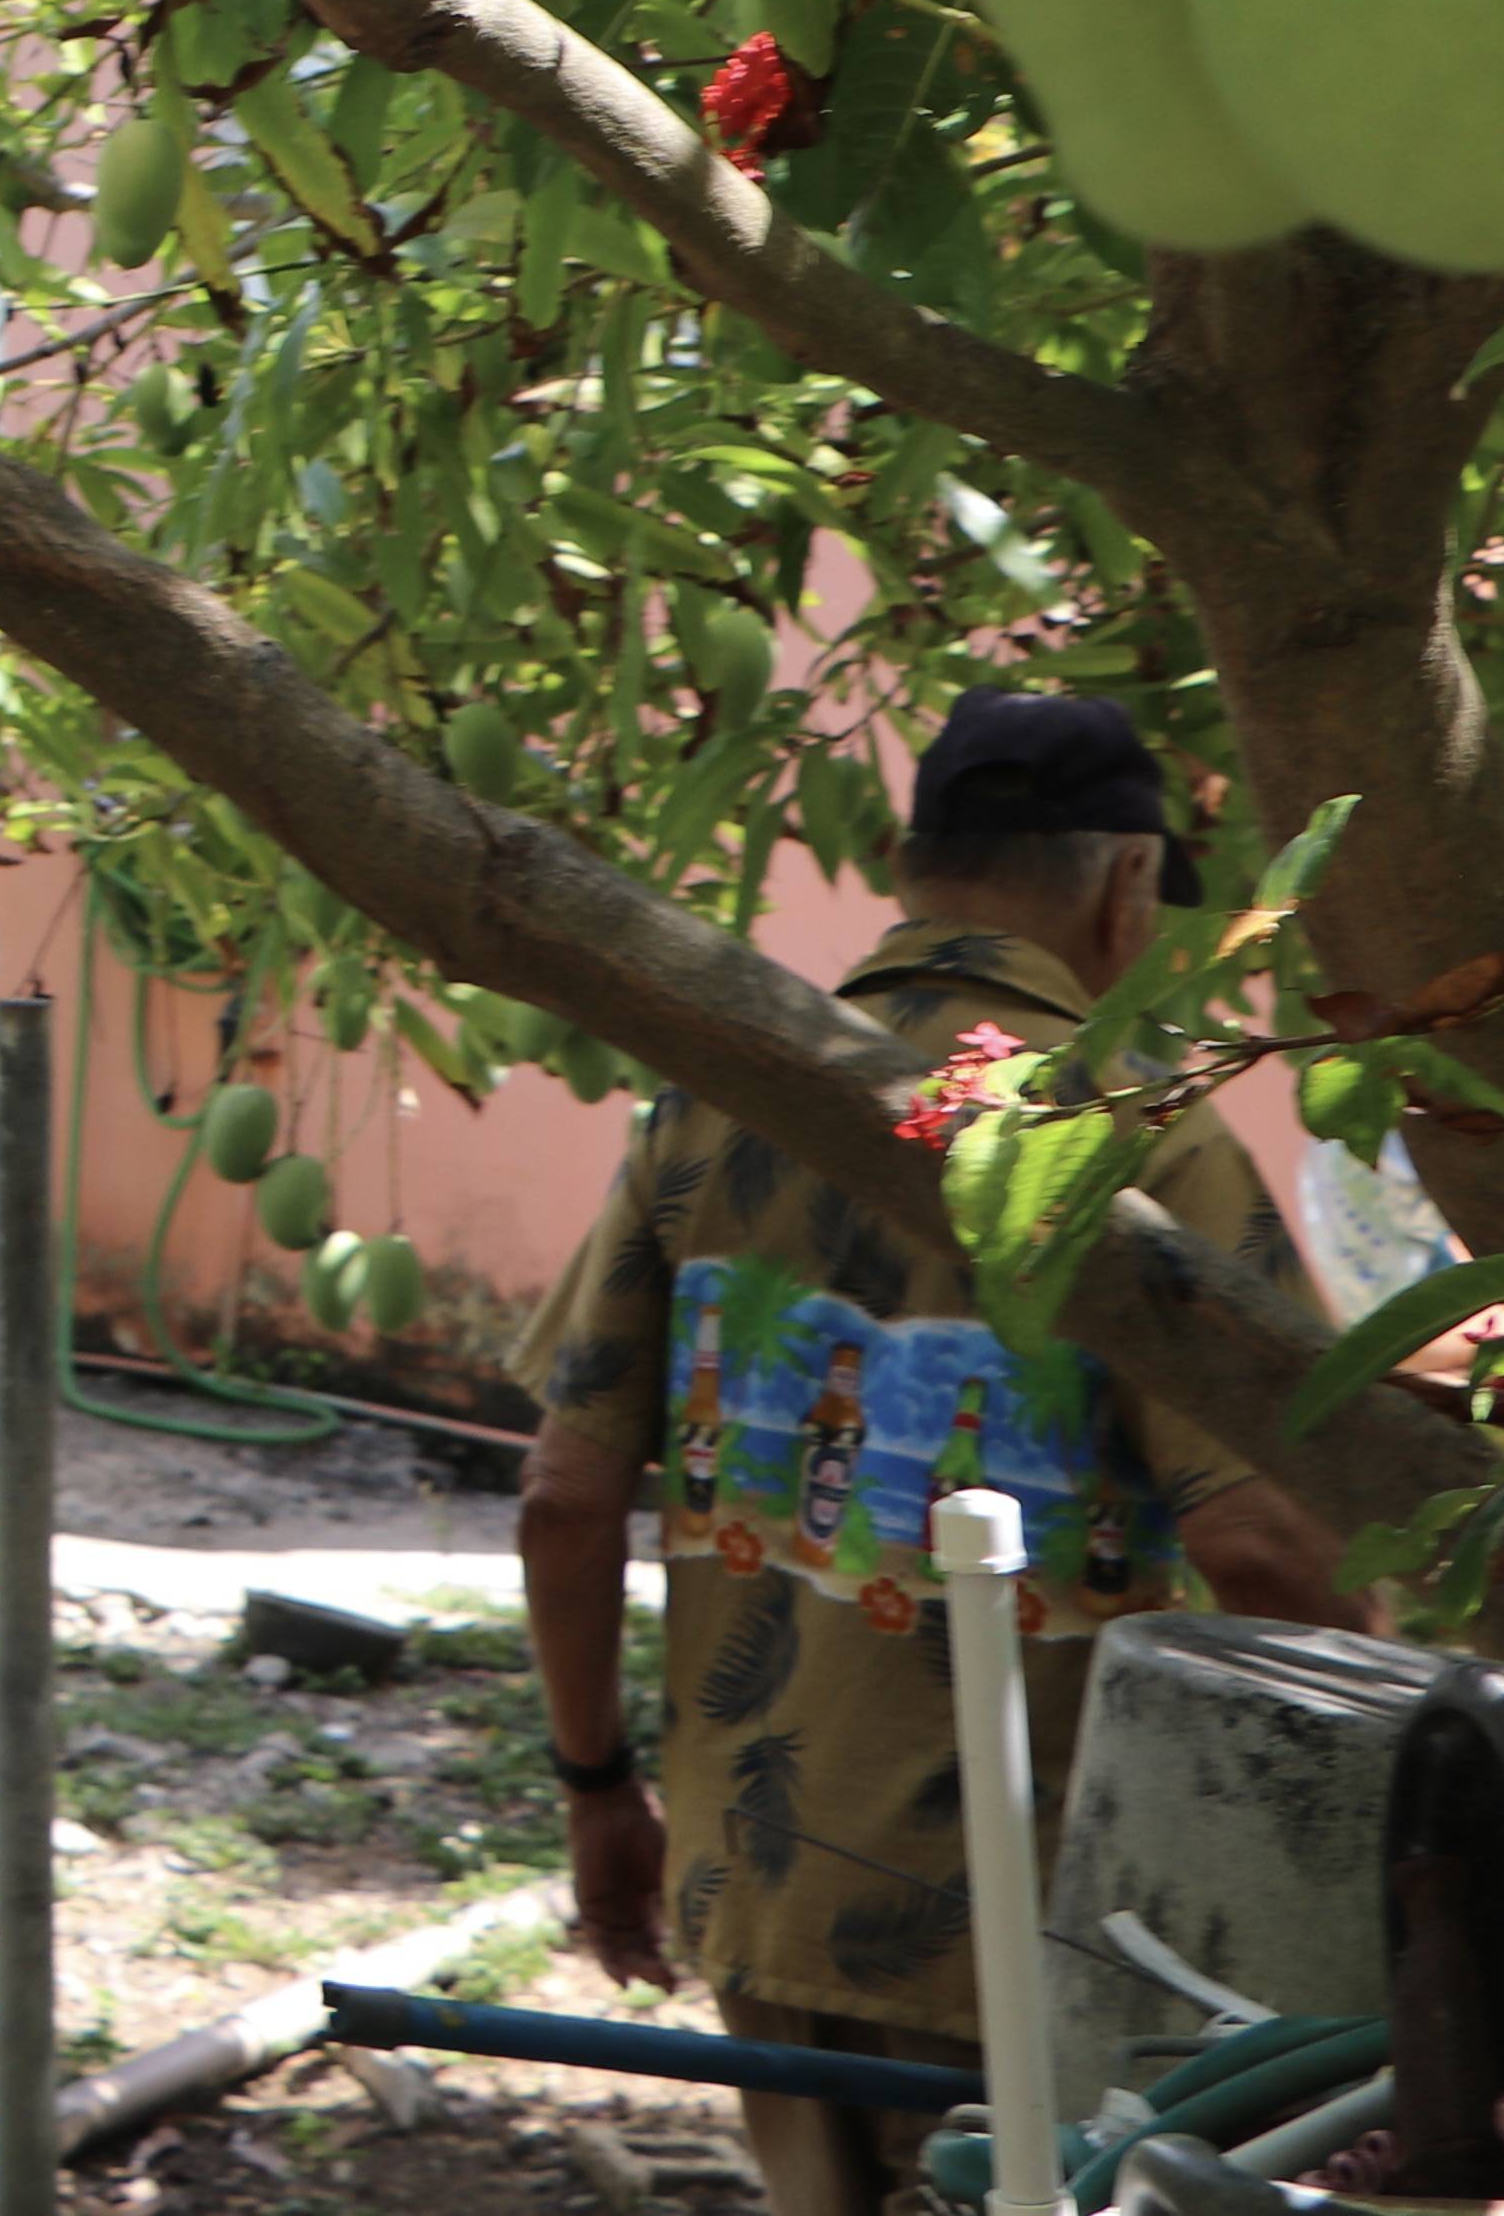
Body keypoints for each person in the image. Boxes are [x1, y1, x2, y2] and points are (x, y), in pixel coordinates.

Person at [511, 689, 1364, 2216]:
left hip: (759, 1877)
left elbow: (563, 1500)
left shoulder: (709, 1101)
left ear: (911, 865)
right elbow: (1265, 1545)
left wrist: (594, 1788)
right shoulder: (1132, 1136)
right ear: (1125, 883)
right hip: (1026, 1918)